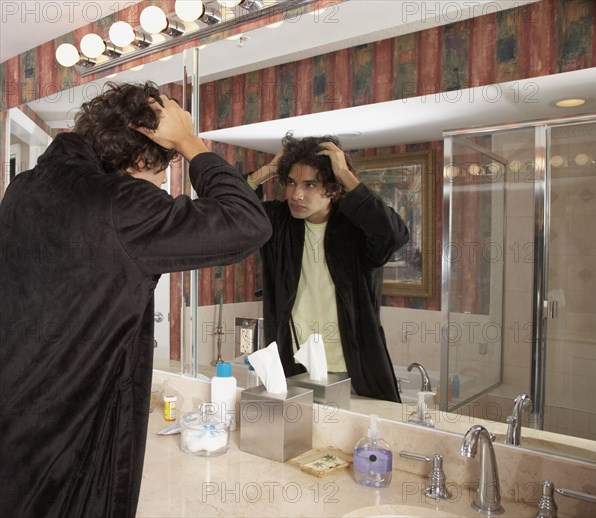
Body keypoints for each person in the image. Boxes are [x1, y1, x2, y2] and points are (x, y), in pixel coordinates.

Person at [0, 82, 271, 518]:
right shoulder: (122, 205)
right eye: (160, 176)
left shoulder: (24, 189)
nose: (160, 190)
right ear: (144, 157)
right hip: (70, 448)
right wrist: (189, 143)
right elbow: (247, 223)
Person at [247, 134, 409, 403]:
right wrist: (268, 170)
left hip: (353, 372)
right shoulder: (278, 222)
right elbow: (229, 208)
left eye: (310, 184)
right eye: (291, 182)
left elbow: (392, 234)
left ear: (333, 189)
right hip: (292, 371)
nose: (296, 194)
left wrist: (344, 173)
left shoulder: (355, 228)